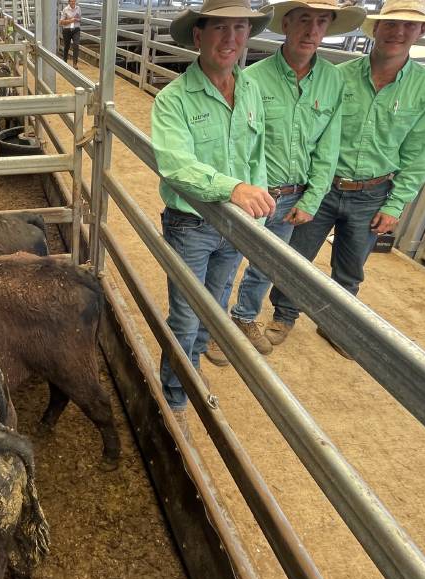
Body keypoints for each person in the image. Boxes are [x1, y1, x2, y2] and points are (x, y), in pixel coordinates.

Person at [266, 0, 425, 358]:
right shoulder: (339, 76)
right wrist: (311, 189)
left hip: (373, 191)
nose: (398, 33)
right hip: (324, 185)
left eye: (409, 26)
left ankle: (336, 323)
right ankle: (284, 314)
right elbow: (315, 134)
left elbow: (419, 149)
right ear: (375, 29)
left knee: (351, 264)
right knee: (297, 254)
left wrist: (396, 202)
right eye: (391, 25)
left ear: (422, 31)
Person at [213, 0, 364, 363]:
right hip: (256, 191)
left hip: (295, 193)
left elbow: (330, 142)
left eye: (322, 21)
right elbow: (242, 141)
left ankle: (244, 316)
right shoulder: (253, 77)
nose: (312, 30)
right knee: (229, 260)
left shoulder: (333, 79)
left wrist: (312, 198)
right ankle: (215, 328)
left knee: (269, 263)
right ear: (286, 24)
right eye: (304, 20)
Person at [151, 0, 275, 419]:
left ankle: (193, 367)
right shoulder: (173, 99)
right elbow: (176, 166)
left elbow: (257, 151)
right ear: (199, 36)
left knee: (215, 306)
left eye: (239, 28)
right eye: (219, 28)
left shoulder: (252, 89)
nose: (231, 38)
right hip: (192, 224)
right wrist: (234, 188)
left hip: (236, 224)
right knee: (186, 315)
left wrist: (255, 192)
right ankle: (174, 397)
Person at [59, 0, 82, 68]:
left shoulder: (78, 8)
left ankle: (75, 64)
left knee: (76, 44)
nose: (73, 2)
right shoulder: (65, 9)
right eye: (71, 1)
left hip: (76, 29)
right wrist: (70, 20)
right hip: (67, 30)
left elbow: (80, 19)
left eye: (74, 1)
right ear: (69, 2)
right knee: (67, 46)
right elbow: (61, 22)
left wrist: (77, 19)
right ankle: (65, 61)